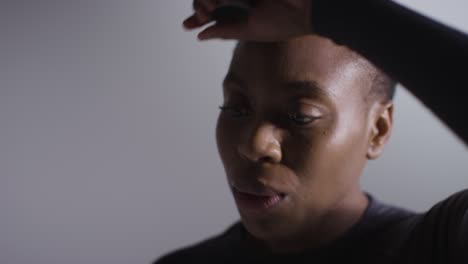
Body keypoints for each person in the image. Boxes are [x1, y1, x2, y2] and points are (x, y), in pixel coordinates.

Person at [156, 0, 468, 263]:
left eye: (300, 116)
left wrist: (325, 9)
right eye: (236, 107)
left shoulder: (436, 247)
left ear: (378, 130)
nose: (254, 144)